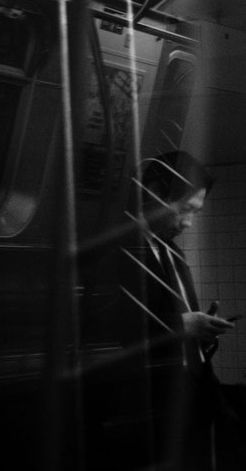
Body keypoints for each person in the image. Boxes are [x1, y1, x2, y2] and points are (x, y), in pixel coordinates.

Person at [94, 151, 235, 470]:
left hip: (194, 399)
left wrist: (202, 331)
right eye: (186, 209)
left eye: (195, 212)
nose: (188, 222)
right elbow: (107, 331)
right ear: (154, 193)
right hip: (148, 409)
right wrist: (182, 326)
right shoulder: (116, 251)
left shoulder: (173, 252)